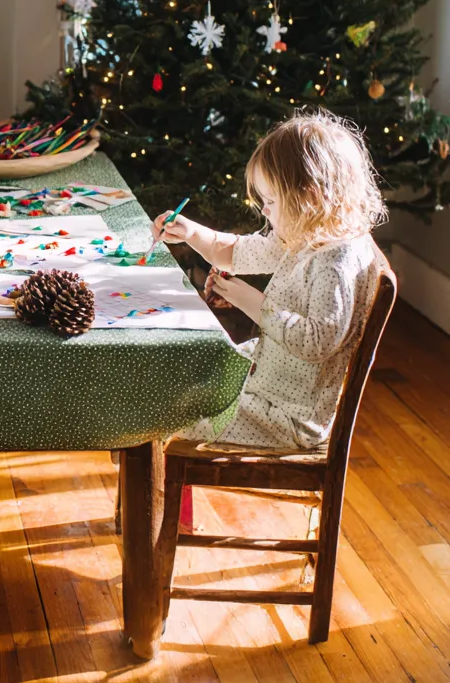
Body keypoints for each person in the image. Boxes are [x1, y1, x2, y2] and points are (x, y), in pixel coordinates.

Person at [152, 109, 385, 449]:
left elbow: (316, 342)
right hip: (264, 379)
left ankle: (146, 473)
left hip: (287, 418)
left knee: (165, 411)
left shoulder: (335, 262)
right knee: (178, 374)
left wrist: (249, 301)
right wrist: (191, 233)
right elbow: (238, 252)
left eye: (272, 201)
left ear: (310, 198)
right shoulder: (309, 233)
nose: (264, 210)